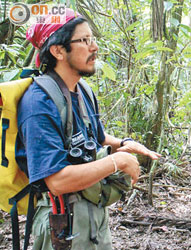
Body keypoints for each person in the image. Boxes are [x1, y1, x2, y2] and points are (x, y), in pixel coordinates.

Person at [17, 9, 161, 249]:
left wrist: (122, 144)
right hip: (62, 221)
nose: (94, 47)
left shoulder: (82, 91)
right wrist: (118, 162)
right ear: (58, 50)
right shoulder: (38, 103)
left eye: (92, 39)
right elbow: (57, 181)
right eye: (84, 40)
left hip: (95, 215)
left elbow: (97, 137)